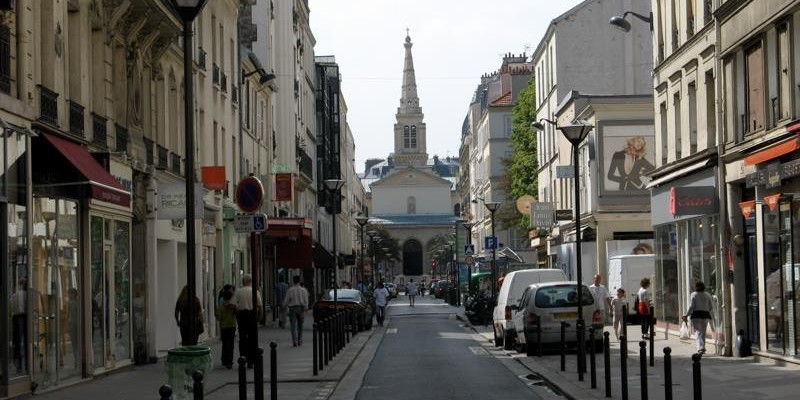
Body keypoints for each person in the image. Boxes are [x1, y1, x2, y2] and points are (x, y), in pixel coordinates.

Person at [231, 274, 262, 368]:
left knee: (243, 338)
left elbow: (233, 304)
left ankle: (243, 358)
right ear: (250, 281)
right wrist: (259, 316)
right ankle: (251, 361)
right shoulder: (255, 291)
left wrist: (236, 311)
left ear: (243, 282)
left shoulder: (238, 291)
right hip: (252, 314)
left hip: (242, 315)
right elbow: (259, 305)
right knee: (253, 337)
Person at [683, 281, 713, 354]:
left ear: (696, 287)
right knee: (703, 332)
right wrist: (705, 309)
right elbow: (711, 307)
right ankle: (703, 347)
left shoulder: (694, 294)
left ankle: (700, 348)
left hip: (696, 315)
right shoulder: (708, 295)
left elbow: (692, 306)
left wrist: (686, 315)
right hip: (705, 315)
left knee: (698, 332)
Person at [283, 275, 309, 347]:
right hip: (301, 308)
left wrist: (284, 306)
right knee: (300, 325)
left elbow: (286, 300)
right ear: (299, 281)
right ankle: (299, 340)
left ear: (293, 281)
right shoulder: (304, 290)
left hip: (292, 308)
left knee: (293, 325)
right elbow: (306, 301)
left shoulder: (290, 290)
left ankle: (294, 341)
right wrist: (306, 308)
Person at [216, 285, 237, 368]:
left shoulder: (221, 308)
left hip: (223, 327)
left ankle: (224, 360)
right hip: (231, 326)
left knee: (224, 344)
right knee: (230, 344)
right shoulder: (233, 307)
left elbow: (218, 317)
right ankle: (229, 361)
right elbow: (236, 313)